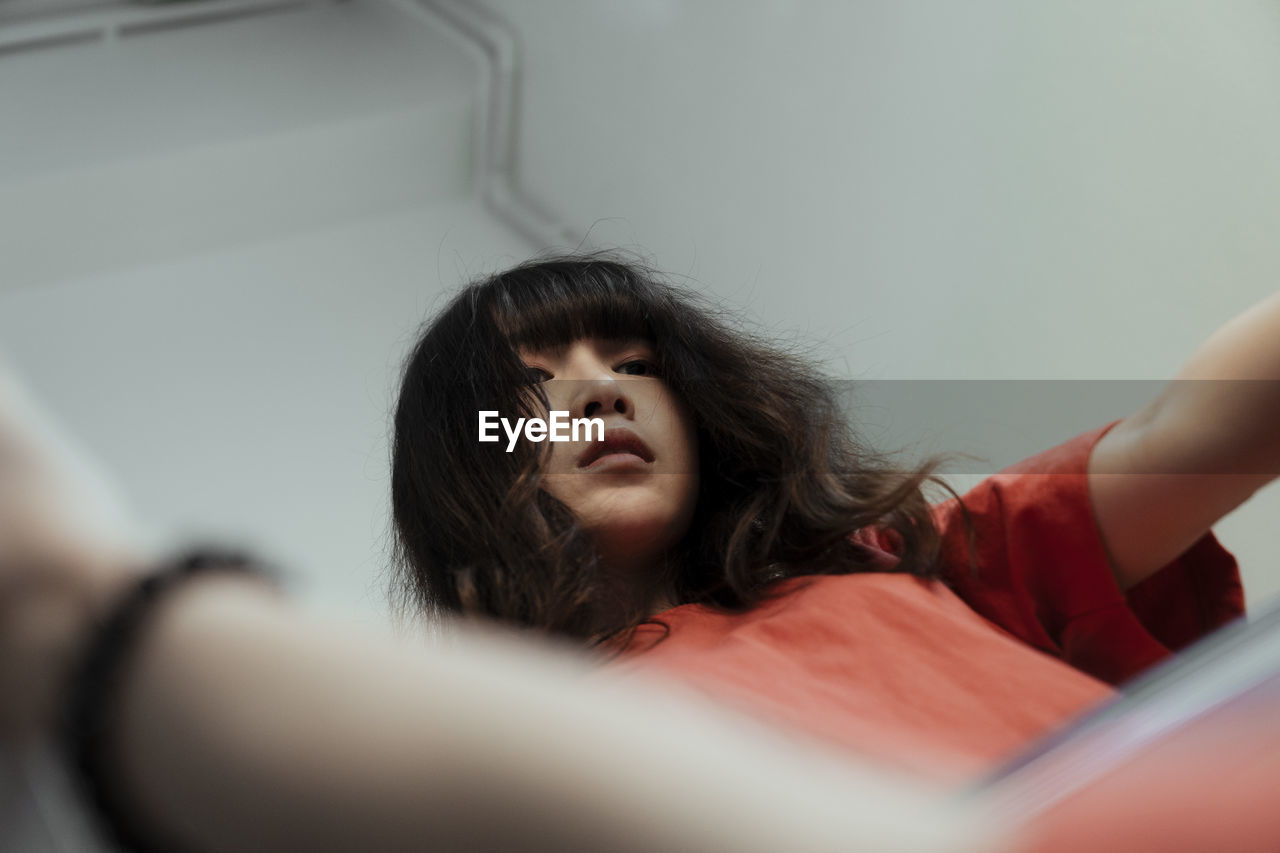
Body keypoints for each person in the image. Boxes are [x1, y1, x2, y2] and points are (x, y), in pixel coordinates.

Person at [0, 251, 1275, 851]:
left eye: (632, 365)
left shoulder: (914, 559)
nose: (598, 393)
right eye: (532, 385)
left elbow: (1212, 422)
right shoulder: (471, 769)